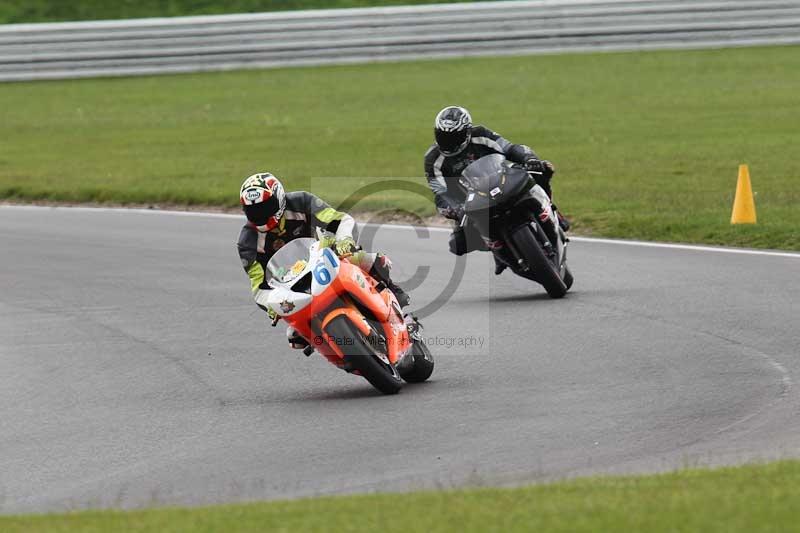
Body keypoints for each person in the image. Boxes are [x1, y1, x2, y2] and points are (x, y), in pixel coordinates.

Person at [237, 172, 409, 349]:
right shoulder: (247, 242)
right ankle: (346, 356)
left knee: (360, 258)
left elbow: (340, 219)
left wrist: (344, 240)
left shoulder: (301, 202)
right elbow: (259, 288)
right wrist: (272, 306)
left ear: (279, 198)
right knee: (295, 337)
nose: (260, 214)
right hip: (293, 286)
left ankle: (396, 298)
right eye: (253, 210)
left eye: (265, 207)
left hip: (326, 256)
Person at [423, 105, 569, 274]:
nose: (448, 142)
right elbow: (440, 192)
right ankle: (498, 252)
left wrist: (528, 158)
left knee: (542, 169)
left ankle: (553, 210)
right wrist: (454, 209)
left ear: (467, 132)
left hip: (501, 180)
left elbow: (509, 148)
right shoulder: (432, 159)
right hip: (469, 202)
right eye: (443, 136)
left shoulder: (481, 134)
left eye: (454, 136)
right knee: (458, 244)